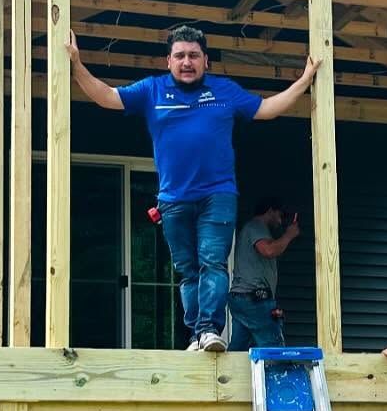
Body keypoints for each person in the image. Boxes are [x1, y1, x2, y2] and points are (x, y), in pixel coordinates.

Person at [67, 25, 319, 351]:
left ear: (206, 62)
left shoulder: (224, 91)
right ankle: (198, 335)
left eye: (194, 56)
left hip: (218, 194)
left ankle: (210, 330)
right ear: (167, 61)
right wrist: (76, 64)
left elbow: (266, 109)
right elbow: (106, 96)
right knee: (187, 271)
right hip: (173, 199)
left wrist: (304, 79)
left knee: (212, 262)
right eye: (180, 56)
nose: (187, 62)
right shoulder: (152, 90)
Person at [230, 196, 301, 351]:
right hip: (254, 299)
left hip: (242, 299)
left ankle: (225, 375)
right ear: (270, 211)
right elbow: (268, 250)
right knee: (274, 350)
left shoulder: (252, 229)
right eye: (279, 215)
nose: (280, 222)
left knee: (237, 352)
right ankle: (280, 376)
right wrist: (289, 235)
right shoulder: (256, 226)